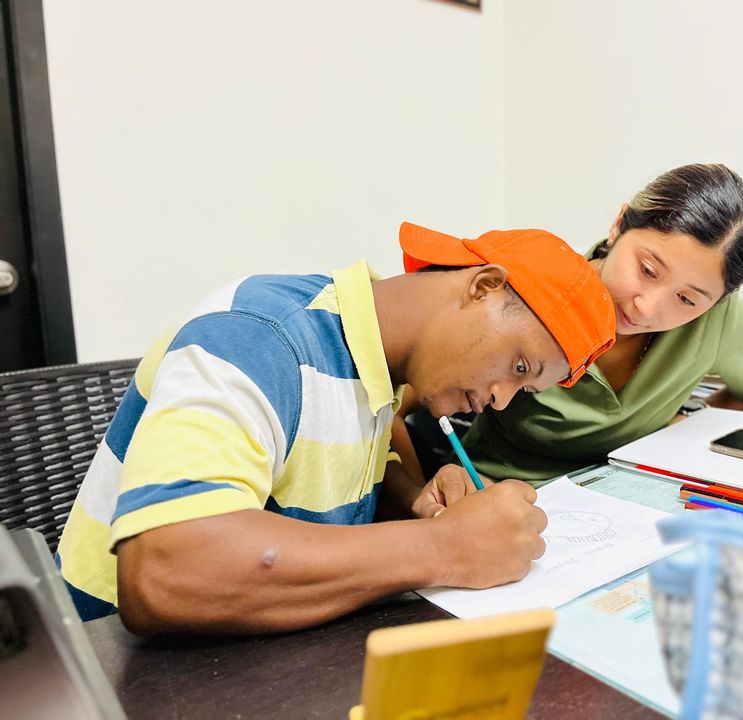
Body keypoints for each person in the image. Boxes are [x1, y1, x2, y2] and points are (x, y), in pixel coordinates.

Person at [55, 222, 615, 634]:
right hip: (114, 671)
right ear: (483, 286)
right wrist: (445, 546)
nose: (500, 399)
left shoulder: (374, 360)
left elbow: (319, 475)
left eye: (524, 390)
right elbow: (166, 569)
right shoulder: (257, 336)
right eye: (519, 366)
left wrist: (416, 502)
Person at [396, 164, 743, 483]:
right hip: (493, 494)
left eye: (687, 300)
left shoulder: (716, 319)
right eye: (647, 270)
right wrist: (415, 498)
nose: (647, 308)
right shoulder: (534, 292)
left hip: (629, 502)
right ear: (619, 224)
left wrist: (679, 426)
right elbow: (392, 398)